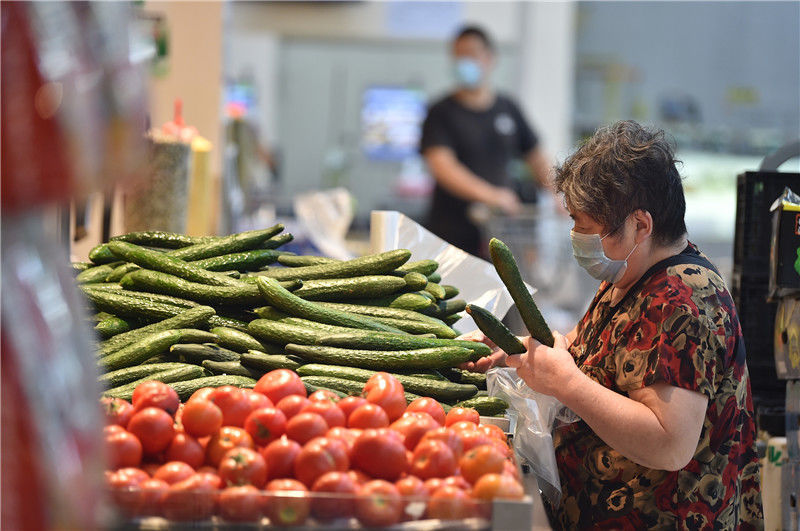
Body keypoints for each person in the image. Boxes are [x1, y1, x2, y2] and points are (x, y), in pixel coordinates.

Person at [463, 121, 763, 529]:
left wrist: (567, 384)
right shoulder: (629, 272)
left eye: (587, 227)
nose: (576, 236)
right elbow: (587, 348)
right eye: (575, 222)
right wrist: (515, 351)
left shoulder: (683, 301)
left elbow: (669, 443)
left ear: (641, 225)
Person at [419, 25, 552, 257]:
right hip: (452, 234)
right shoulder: (440, 112)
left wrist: (560, 194)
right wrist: (492, 195)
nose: (464, 61)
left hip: (501, 233)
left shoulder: (508, 108)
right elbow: (442, 166)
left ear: (490, 58)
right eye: (458, 55)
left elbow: (537, 158)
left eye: (471, 53)